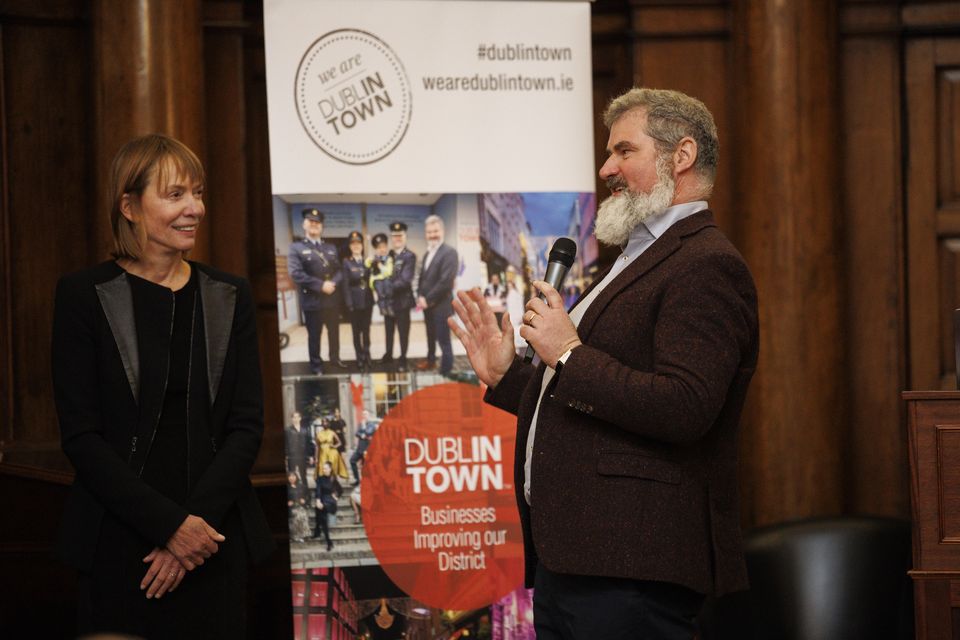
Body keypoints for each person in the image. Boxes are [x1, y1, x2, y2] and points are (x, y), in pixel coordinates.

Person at [448, 87, 759, 639]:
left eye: (624, 151)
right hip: (575, 562)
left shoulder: (706, 264)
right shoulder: (634, 258)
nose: (606, 167)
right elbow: (585, 396)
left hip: (631, 568)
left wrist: (567, 352)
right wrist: (507, 376)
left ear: (680, 156)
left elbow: (686, 406)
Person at [51, 133, 275, 639]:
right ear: (129, 206)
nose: (194, 208)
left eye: (196, 193)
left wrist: (195, 528)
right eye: (175, 195)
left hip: (215, 538)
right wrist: (170, 527)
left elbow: (246, 426)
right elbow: (81, 437)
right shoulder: (83, 296)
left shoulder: (229, 294)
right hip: (119, 537)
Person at [288, 208, 344, 375]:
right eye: (311, 222)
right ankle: (316, 365)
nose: (314, 225)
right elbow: (296, 274)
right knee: (314, 335)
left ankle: (335, 359)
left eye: (317, 222)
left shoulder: (331, 247)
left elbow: (340, 270)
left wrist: (333, 282)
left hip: (332, 300)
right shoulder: (296, 248)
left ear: (322, 226)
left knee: (334, 332)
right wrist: (321, 285)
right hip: (312, 301)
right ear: (304, 224)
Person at [416, 215, 459, 375]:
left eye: (435, 231)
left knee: (444, 341)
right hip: (427, 305)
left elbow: (445, 281)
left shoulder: (450, 253)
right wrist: (420, 296)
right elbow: (422, 278)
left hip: (441, 306)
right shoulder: (428, 253)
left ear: (442, 231)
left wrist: (427, 299)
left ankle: (445, 371)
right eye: (429, 232)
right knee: (430, 337)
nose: (432, 235)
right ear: (425, 234)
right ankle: (431, 361)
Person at [382, 221, 416, 372]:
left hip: (402, 302)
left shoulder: (410, 256)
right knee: (388, 331)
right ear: (391, 237)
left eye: (400, 235)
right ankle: (388, 354)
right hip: (389, 303)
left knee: (403, 332)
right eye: (394, 236)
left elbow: (405, 280)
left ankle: (403, 358)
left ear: (405, 236)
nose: (397, 238)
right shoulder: (387, 255)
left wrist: (385, 287)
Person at [342, 230, 374, 372]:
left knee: (366, 331)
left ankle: (367, 353)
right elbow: (345, 285)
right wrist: (349, 303)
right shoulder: (346, 263)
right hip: (354, 304)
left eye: (358, 243)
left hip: (368, 302)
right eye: (353, 243)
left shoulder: (368, 261)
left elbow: (373, 280)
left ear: (362, 245)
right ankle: (359, 357)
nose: (356, 246)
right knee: (356, 332)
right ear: (350, 246)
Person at [313, 461, 342, 551]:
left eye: (325, 468)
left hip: (331, 502)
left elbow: (341, 490)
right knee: (321, 512)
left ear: (330, 469)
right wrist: (318, 501)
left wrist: (336, 496)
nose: (323, 469)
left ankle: (317, 530)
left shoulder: (333, 479)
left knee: (320, 511)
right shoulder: (320, 479)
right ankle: (328, 541)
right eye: (323, 468)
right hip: (322, 500)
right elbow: (318, 490)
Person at [366, 233, 395, 319]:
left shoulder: (389, 259)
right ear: (375, 249)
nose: (382, 250)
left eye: (384, 247)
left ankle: (389, 307)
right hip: (376, 280)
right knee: (381, 294)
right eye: (379, 248)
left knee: (388, 292)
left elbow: (389, 272)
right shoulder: (374, 257)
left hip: (386, 280)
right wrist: (370, 259)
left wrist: (381, 266)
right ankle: (382, 308)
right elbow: (367, 264)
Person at [349, 409, 379, 485]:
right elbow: (356, 433)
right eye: (363, 414)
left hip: (367, 449)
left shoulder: (371, 424)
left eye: (366, 414)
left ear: (368, 415)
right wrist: (362, 434)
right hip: (359, 448)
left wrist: (363, 429)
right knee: (352, 460)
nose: (364, 416)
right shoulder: (361, 424)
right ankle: (357, 479)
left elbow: (368, 432)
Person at [284, 410, 312, 486]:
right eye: (293, 417)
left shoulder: (305, 430)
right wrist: (286, 456)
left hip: (302, 456)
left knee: (303, 475)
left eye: (297, 417)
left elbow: (308, 443)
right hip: (292, 456)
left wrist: (310, 456)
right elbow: (285, 443)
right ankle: (293, 494)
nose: (295, 419)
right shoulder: (288, 430)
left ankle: (306, 495)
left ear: (300, 418)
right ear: (291, 419)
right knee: (291, 476)